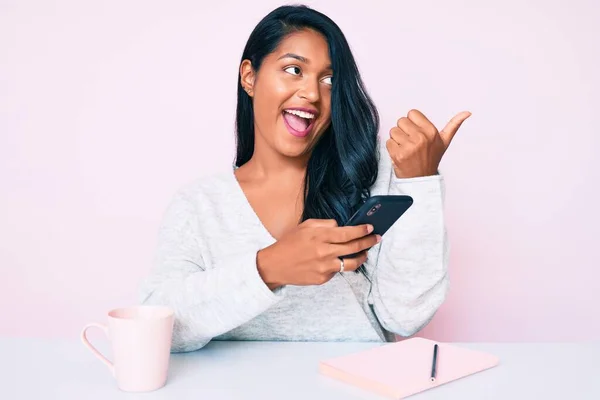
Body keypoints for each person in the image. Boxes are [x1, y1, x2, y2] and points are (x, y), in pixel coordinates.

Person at [138, 4, 471, 353]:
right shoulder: (199, 205)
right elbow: (158, 325)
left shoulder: (368, 180)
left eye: (329, 80)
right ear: (249, 77)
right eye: (293, 69)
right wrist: (270, 267)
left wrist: (420, 183)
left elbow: (406, 315)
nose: (312, 93)